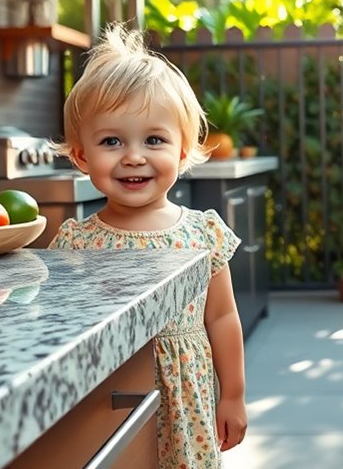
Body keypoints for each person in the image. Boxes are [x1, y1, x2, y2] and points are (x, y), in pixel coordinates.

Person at [48, 24, 247, 468]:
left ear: (181, 152)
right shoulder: (75, 243)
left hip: (187, 400)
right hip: (108, 403)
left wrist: (232, 395)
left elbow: (222, 315)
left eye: (153, 140)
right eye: (111, 141)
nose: (133, 156)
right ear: (82, 156)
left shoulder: (202, 233)